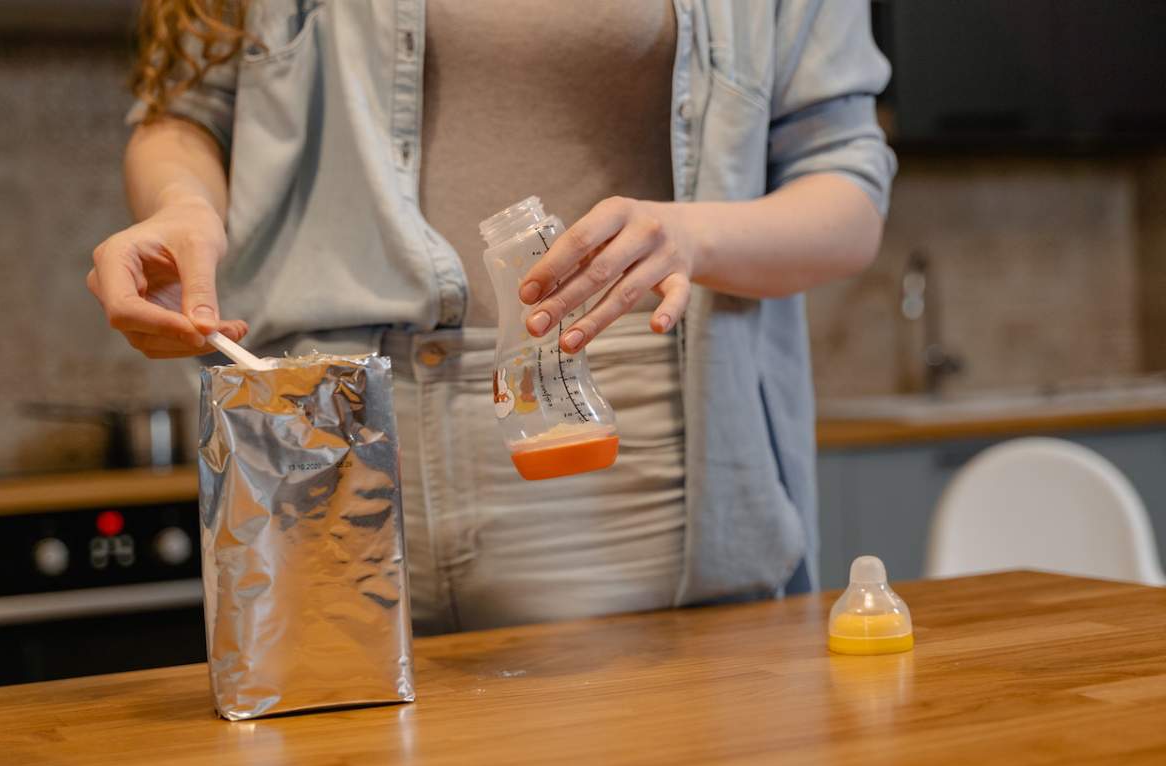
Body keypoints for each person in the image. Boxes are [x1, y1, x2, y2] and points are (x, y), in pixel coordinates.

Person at [88, 0, 895, 634]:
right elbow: (183, 113)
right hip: (318, 436)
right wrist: (181, 206)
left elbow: (848, 195)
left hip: (611, 455)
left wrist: (693, 234)